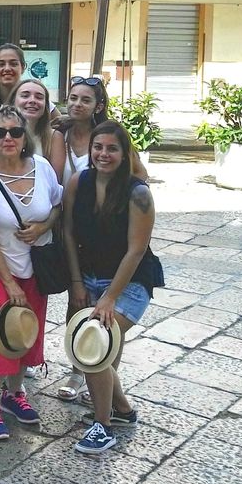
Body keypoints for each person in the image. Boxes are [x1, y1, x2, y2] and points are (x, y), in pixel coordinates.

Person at [0, 106, 62, 440]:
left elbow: (56, 207)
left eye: (15, 132)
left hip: (36, 265)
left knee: (26, 330)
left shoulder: (44, 168)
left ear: (26, 137)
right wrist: (8, 281)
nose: (8, 138)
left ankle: (14, 393)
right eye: (0, 132)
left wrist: (43, 226)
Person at [64, 121, 158, 455]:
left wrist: (110, 297)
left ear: (124, 153)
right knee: (90, 346)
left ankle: (102, 427)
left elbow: (137, 250)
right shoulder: (80, 181)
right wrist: (76, 281)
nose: (104, 154)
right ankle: (124, 412)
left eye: (112, 148)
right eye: (98, 147)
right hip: (88, 276)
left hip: (129, 281)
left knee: (95, 347)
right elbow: (69, 232)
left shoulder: (138, 193)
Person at [9, 78, 64, 176]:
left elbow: (55, 181)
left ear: (46, 106)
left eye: (39, 97)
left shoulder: (54, 137)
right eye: (25, 96)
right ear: (13, 101)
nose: (32, 100)